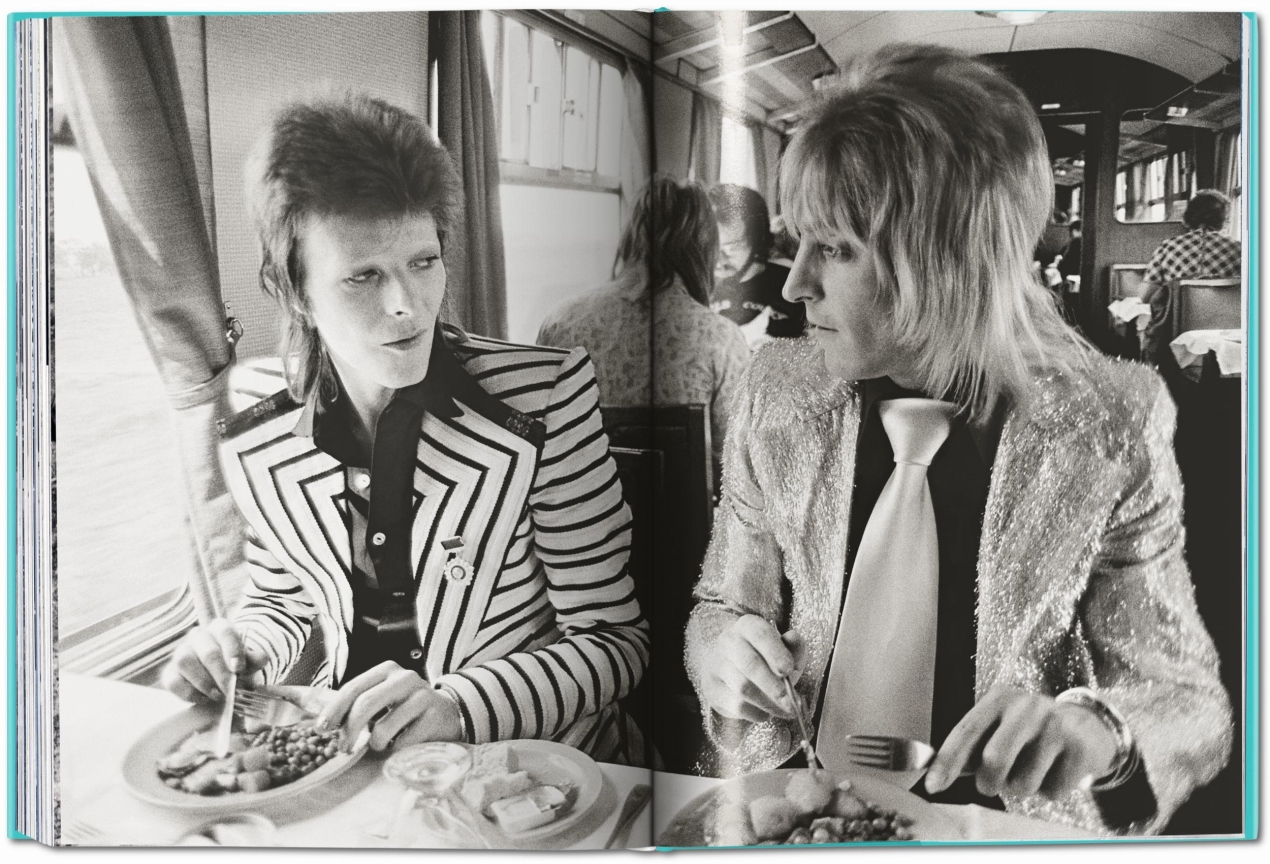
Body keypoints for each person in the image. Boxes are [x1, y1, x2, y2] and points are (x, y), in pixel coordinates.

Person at [684, 44, 1230, 836]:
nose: (795, 283)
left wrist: (1101, 735)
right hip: (798, 809)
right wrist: (723, 657)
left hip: (995, 827)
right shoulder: (775, 389)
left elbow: (1188, 702)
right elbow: (721, 605)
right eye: (799, 243)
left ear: (943, 257)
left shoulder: (1113, 419)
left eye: (833, 248)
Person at [160, 94, 648, 766]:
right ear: (296, 292)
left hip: (528, 766)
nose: (407, 307)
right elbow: (282, 600)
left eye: (423, 262)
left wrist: (459, 706)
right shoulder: (255, 422)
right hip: (352, 761)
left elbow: (614, 641)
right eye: (363, 276)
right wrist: (239, 651)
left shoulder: (543, 398)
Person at [537, 177, 750, 491]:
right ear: (704, 249)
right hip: (679, 520)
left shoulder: (561, 322)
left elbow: (539, 435)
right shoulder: (721, 338)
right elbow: (735, 464)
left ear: (630, 236)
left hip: (579, 513)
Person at [1140, 190, 1242, 361]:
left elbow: (1145, 296)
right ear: (1224, 219)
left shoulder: (1168, 247)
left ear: (1190, 216)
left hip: (1172, 337)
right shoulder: (1240, 249)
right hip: (1227, 337)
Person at [708, 183, 806, 349]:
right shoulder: (693, 286)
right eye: (710, 246)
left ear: (757, 240)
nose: (719, 259)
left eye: (732, 247)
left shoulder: (792, 284)